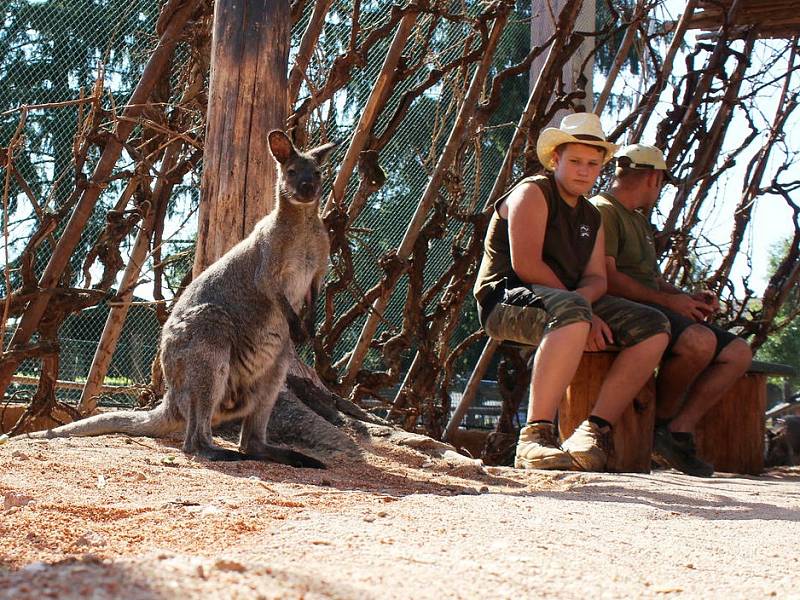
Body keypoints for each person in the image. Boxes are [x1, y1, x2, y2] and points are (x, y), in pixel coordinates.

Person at [473, 113, 670, 471]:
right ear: (555, 160)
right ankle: (534, 438)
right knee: (573, 314)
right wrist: (584, 311)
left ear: (601, 168)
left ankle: (592, 430)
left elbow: (597, 278)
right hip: (505, 300)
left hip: (567, 304)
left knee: (653, 325)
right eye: (575, 161)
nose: (583, 170)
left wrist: (585, 307)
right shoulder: (532, 192)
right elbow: (527, 266)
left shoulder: (591, 216)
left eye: (593, 164)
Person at [591, 144, 753, 477]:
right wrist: (669, 302)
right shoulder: (603, 210)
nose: (661, 189)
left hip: (656, 309)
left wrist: (687, 298)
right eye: (663, 182)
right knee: (698, 342)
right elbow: (606, 278)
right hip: (625, 311)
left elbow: (652, 280)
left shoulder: (637, 220)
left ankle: (675, 430)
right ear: (653, 177)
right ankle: (657, 425)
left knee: (738, 352)